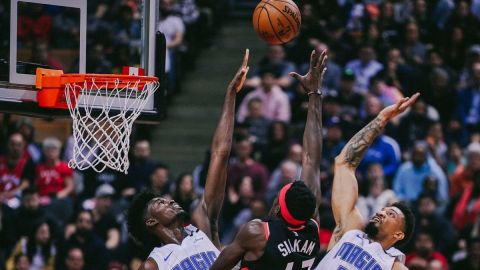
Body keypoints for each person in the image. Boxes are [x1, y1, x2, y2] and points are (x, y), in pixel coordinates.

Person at [126, 50, 250, 269]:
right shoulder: (154, 263)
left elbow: (220, 154)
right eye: (160, 202)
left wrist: (230, 95)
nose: (170, 200)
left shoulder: (201, 227)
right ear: (151, 222)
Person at [211, 49, 326, 270]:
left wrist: (231, 93)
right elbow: (312, 158)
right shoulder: (312, 228)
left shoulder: (257, 232)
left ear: (278, 207)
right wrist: (315, 94)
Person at [315, 93, 420, 270]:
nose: (382, 212)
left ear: (399, 234)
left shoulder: (393, 266)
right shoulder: (351, 229)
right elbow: (344, 163)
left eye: (391, 214)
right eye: (384, 209)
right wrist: (382, 118)